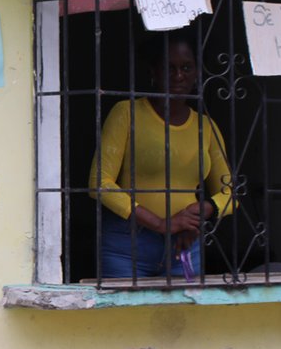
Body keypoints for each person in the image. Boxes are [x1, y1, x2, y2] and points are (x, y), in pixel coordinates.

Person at [89, 30, 234, 278]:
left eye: (186, 68)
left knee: (184, 317)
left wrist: (202, 212)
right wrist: (161, 224)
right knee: (124, 316)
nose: (178, 75)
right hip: (128, 246)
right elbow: (99, 183)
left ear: (198, 73)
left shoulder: (205, 127)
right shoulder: (127, 113)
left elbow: (230, 191)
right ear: (153, 72)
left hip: (185, 244)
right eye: (169, 67)